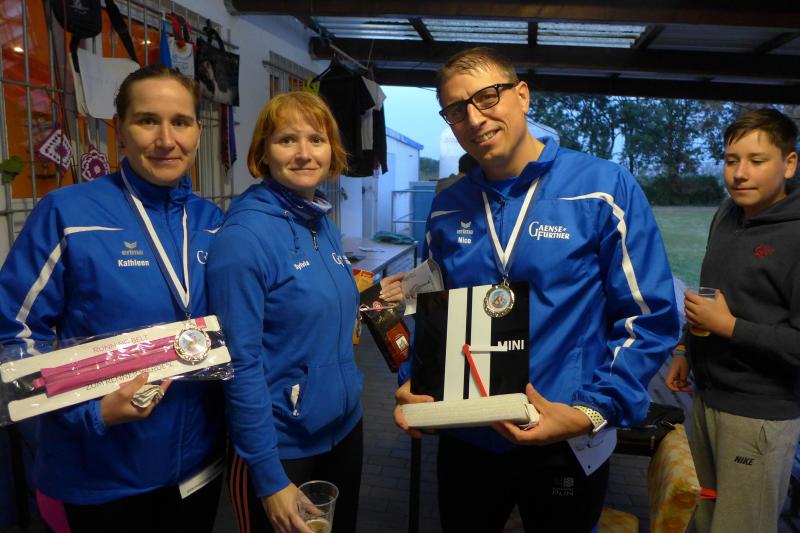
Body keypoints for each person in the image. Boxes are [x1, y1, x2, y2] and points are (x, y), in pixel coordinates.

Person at [394, 47, 679, 532]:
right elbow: (431, 309)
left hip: (564, 433)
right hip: (469, 435)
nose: (474, 118)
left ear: (522, 95)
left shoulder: (602, 188)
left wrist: (590, 411)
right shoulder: (447, 207)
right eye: (456, 110)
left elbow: (647, 318)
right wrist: (415, 381)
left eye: (487, 97)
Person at [0, 65, 224, 531]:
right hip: (102, 474)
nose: (166, 139)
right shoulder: (67, 213)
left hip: (199, 465)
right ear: (118, 129)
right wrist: (89, 412)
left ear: (197, 133)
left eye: (180, 122)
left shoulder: (212, 222)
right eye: (147, 120)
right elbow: (12, 336)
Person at [207, 91, 375, 533]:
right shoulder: (244, 238)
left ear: (331, 150)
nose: (304, 153)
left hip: (343, 431)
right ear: (263, 152)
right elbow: (238, 365)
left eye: (316, 139)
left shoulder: (321, 222)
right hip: (283, 450)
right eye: (287, 140)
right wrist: (269, 477)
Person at [666, 108, 800, 533]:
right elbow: (711, 293)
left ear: (789, 164)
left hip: (758, 416)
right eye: (730, 160)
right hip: (707, 399)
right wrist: (685, 347)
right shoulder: (727, 214)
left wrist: (728, 327)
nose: (739, 174)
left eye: (757, 161)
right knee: (705, 518)